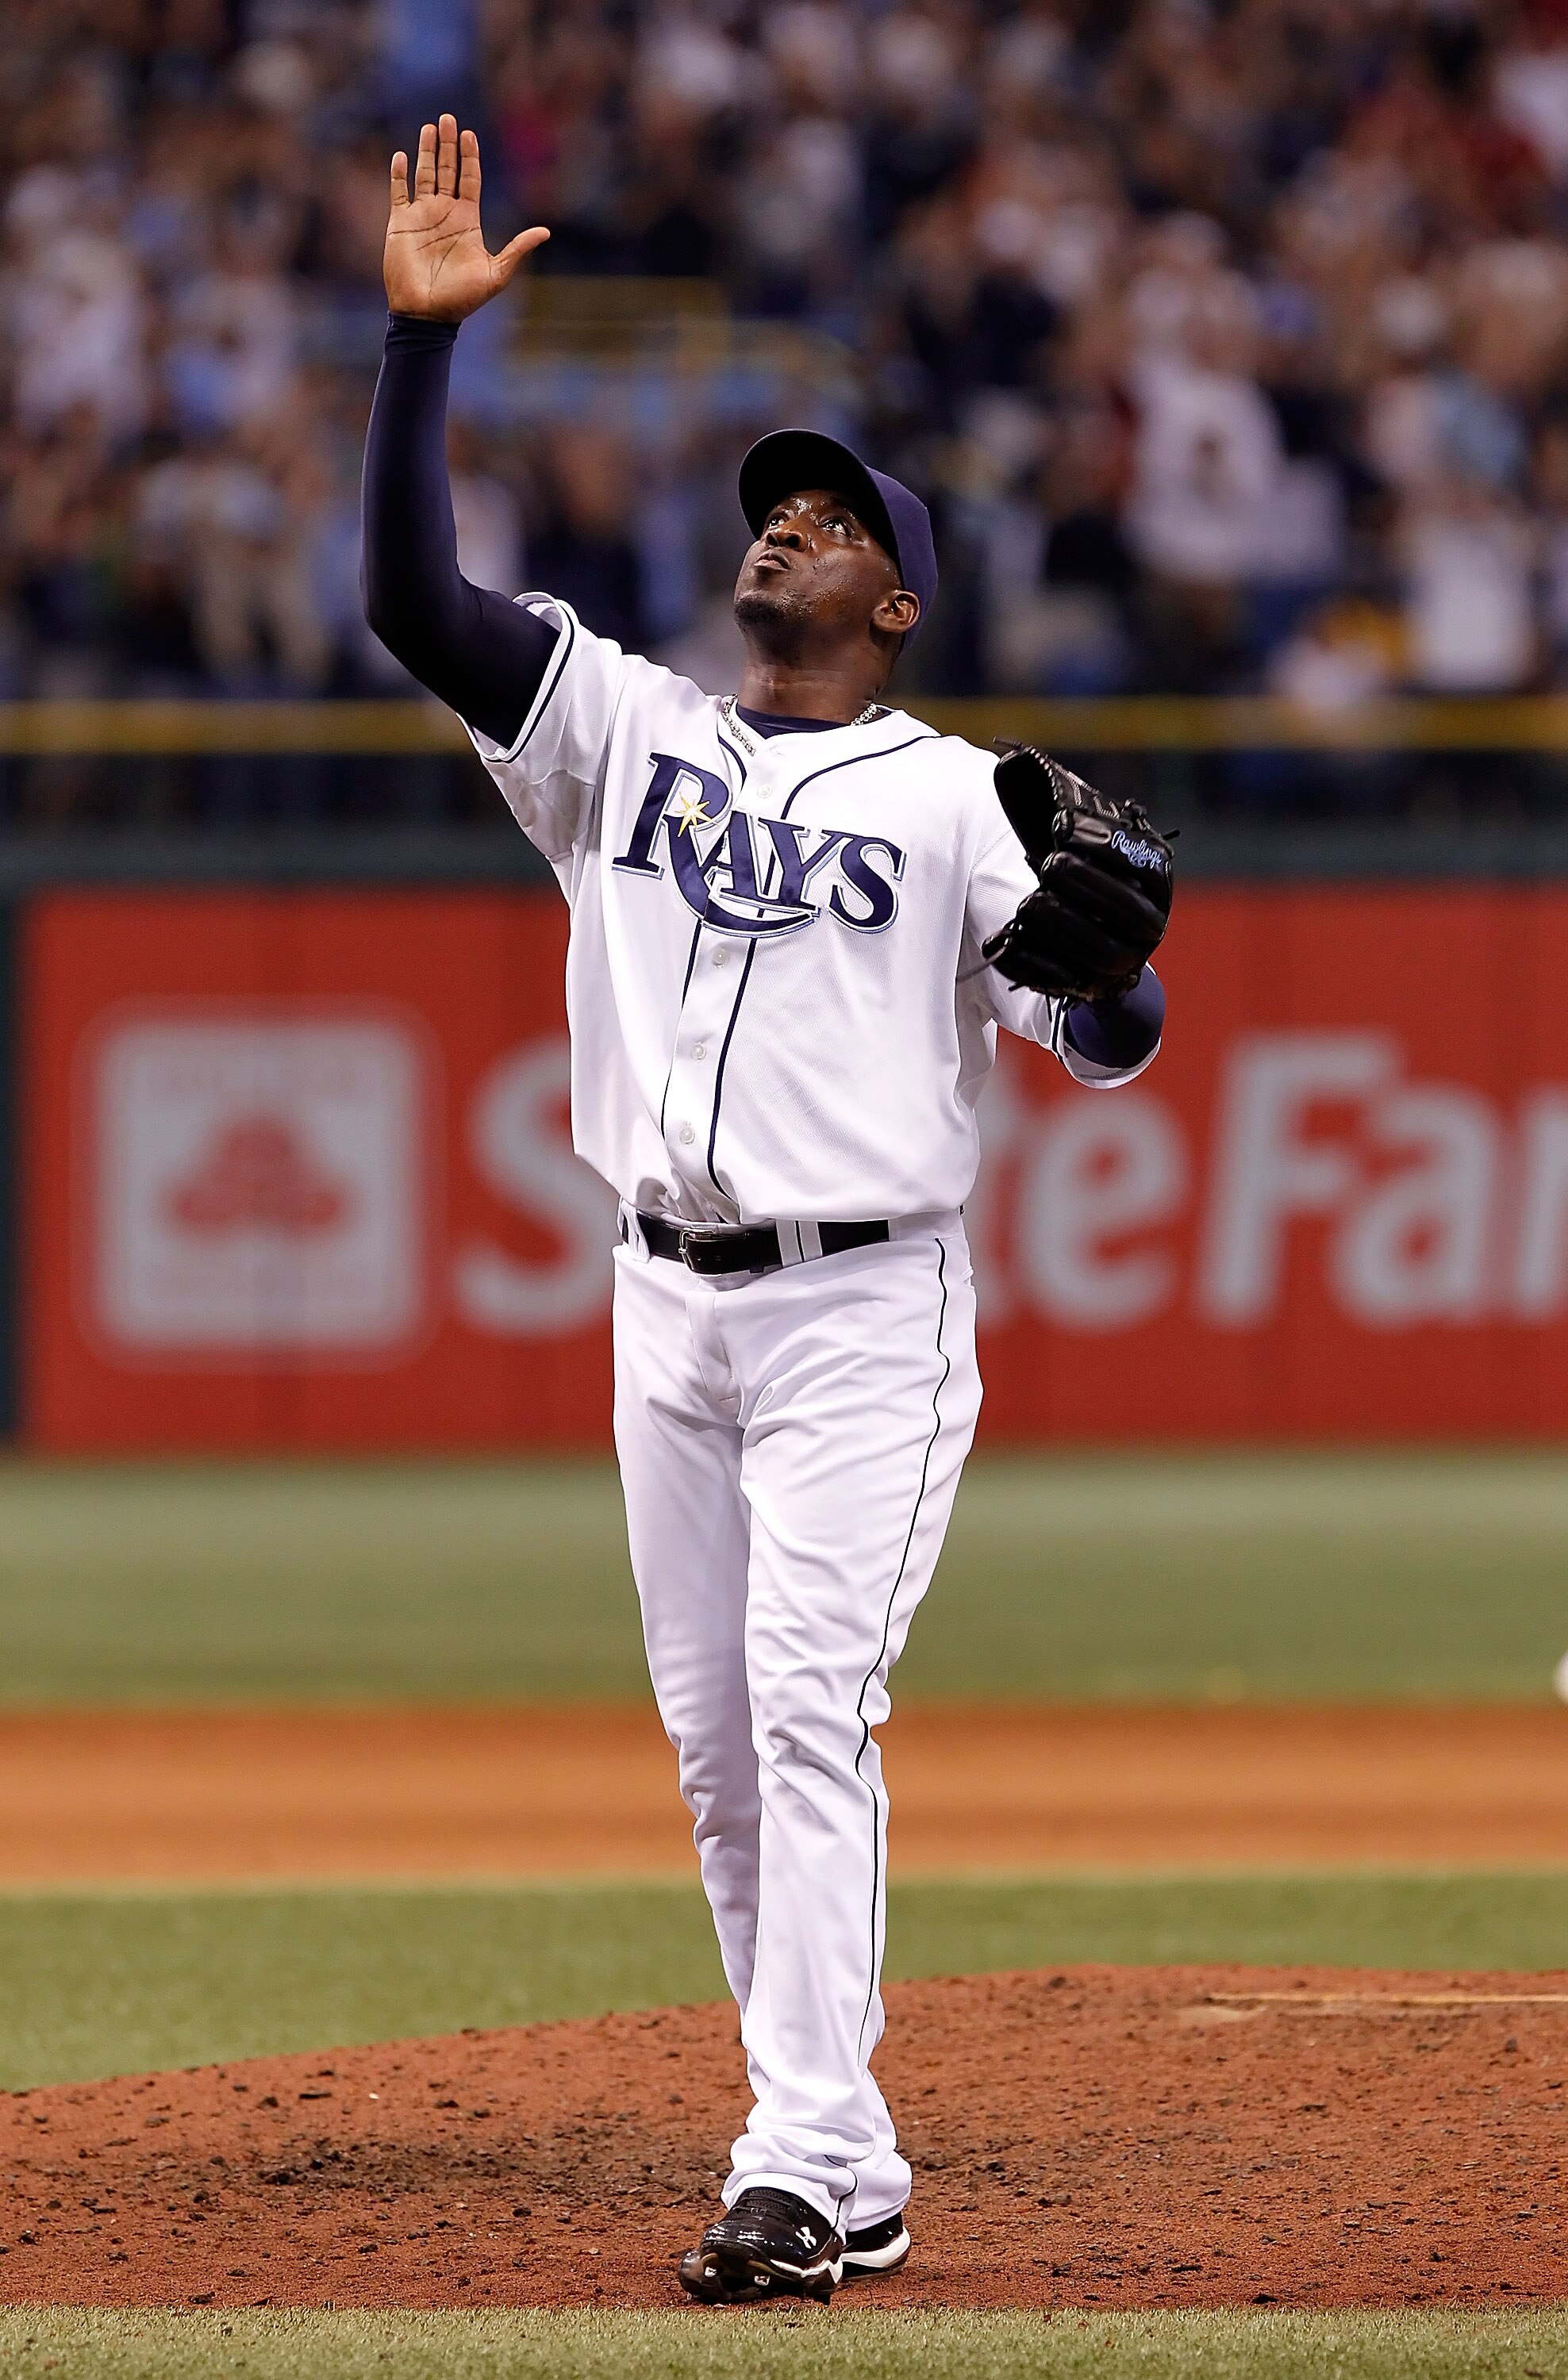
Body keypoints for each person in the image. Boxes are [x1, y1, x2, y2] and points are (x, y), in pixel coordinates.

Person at [362, 116, 1167, 2305]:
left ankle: (806, 2164)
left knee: (809, 1706)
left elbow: (1098, 1037)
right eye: (772, 512)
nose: (784, 532)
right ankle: (840, 2143)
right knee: (721, 1762)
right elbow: (411, 606)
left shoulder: (965, 796)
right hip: (661, 1309)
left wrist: (1124, 973)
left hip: (862, 1316)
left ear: (895, 599)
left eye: (827, 524)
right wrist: (417, 355)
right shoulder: (621, 731)